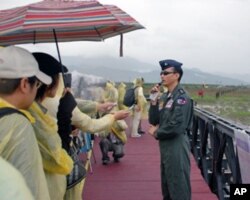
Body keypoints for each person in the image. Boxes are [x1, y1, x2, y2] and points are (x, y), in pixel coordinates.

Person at [0, 46, 51, 200]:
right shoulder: (18, 125)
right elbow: (32, 187)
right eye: (37, 84)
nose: (36, 90)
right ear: (24, 84)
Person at [29, 52, 76, 200]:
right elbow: (60, 159)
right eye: (58, 78)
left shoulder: (36, 111)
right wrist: (65, 115)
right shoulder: (33, 118)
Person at [148, 59, 193, 200]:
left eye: (166, 73)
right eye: (161, 73)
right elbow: (154, 120)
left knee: (178, 185)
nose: (162, 76)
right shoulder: (168, 97)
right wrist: (154, 100)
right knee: (167, 185)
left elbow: (177, 126)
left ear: (176, 75)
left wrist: (156, 132)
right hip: (166, 146)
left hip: (176, 145)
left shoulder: (182, 98)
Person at [99, 81, 128, 165]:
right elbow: (101, 134)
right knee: (103, 141)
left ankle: (116, 155)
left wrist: (115, 119)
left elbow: (124, 127)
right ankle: (105, 157)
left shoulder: (116, 115)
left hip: (117, 141)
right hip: (108, 141)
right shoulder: (103, 118)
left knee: (120, 153)